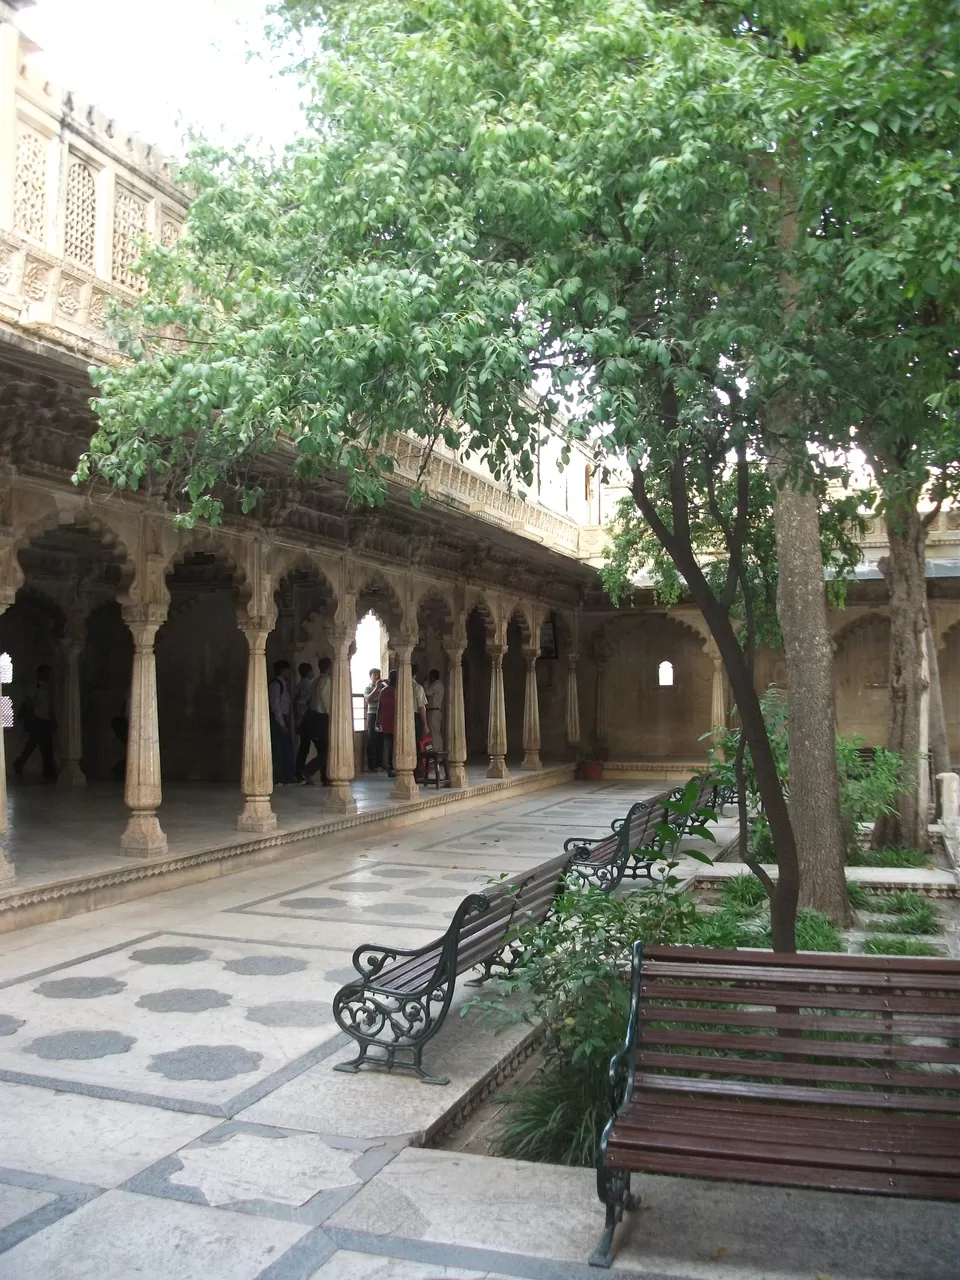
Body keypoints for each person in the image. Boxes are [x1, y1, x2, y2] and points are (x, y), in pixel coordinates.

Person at [14, 664, 57, 782]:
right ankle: (47, 772)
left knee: (43, 747)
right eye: (45, 673)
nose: (47, 675)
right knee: (36, 746)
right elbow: (29, 702)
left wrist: (53, 719)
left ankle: (48, 772)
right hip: (38, 720)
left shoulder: (49, 687)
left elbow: (50, 706)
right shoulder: (34, 687)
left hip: (46, 721)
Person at [268, 659, 296, 785]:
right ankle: (281, 777)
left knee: (287, 748)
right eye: (288, 670)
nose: (290, 672)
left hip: (284, 718)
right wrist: (282, 724)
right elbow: (276, 706)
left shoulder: (283, 684)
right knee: (280, 748)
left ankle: (287, 776)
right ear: (282, 671)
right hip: (278, 719)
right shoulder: (276, 685)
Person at [293, 662, 318, 784]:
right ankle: (301, 772)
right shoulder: (308, 685)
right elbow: (310, 702)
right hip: (306, 719)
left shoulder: (300, 684)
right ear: (308, 672)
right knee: (306, 747)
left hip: (300, 719)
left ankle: (299, 771)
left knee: (304, 747)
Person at [376, 669, 397, 776]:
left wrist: (377, 721)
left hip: (387, 721)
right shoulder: (399, 691)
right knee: (394, 745)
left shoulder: (384, 691)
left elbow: (379, 708)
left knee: (390, 745)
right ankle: (394, 766)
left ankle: (391, 767)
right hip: (395, 721)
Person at [364, 668, 384, 771]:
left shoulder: (383, 687)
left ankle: (380, 763)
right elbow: (368, 700)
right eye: (375, 675)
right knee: (372, 738)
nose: (377, 677)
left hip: (382, 715)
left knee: (381, 739)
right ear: (370, 676)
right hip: (372, 714)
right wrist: (376, 688)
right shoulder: (368, 688)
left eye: (378, 674)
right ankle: (372, 764)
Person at [424, 667, 445, 751]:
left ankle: (437, 752)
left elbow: (427, 692)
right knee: (435, 732)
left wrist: (425, 682)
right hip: (434, 711)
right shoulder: (439, 685)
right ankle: (436, 752)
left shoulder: (436, 685)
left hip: (434, 711)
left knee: (434, 733)